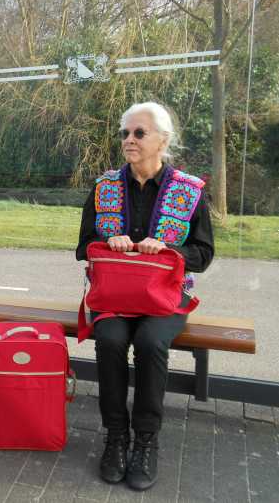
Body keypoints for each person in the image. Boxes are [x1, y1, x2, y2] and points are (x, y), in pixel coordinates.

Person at [75, 102, 214, 491]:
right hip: (114, 296)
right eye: (125, 133)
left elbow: (203, 254)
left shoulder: (189, 191)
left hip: (166, 298)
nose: (129, 140)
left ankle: (147, 440)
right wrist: (107, 242)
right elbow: (83, 246)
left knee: (152, 343)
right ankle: (116, 436)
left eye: (139, 133)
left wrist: (169, 251)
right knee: (109, 339)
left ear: (163, 141)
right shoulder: (104, 187)